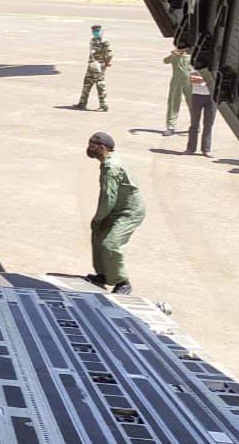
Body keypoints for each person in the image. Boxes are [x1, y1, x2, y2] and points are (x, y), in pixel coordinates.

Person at [84, 132, 145, 295]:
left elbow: (108, 197)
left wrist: (98, 218)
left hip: (129, 212)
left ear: (102, 148)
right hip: (116, 209)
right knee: (98, 234)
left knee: (111, 244)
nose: (89, 149)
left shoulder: (111, 167)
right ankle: (104, 274)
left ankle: (122, 282)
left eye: (92, 146)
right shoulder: (110, 160)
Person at [75, 24, 113, 111]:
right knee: (86, 84)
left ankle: (104, 106)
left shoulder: (104, 41)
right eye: (94, 31)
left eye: (97, 31)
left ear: (100, 31)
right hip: (92, 66)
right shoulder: (92, 40)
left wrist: (106, 64)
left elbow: (110, 54)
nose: (95, 33)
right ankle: (82, 103)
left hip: (99, 66)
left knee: (100, 85)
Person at [163, 38, 191, 135]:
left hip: (190, 81)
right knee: (173, 103)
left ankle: (195, 124)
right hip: (176, 81)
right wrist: (172, 55)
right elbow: (165, 61)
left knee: (192, 104)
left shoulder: (190, 56)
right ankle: (170, 126)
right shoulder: (174, 56)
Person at [186, 68, 216, 157]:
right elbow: (194, 79)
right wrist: (208, 80)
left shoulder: (214, 68)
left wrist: (204, 80)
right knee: (194, 124)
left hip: (211, 98)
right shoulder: (195, 68)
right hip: (197, 96)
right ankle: (190, 149)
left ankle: (206, 149)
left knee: (208, 124)